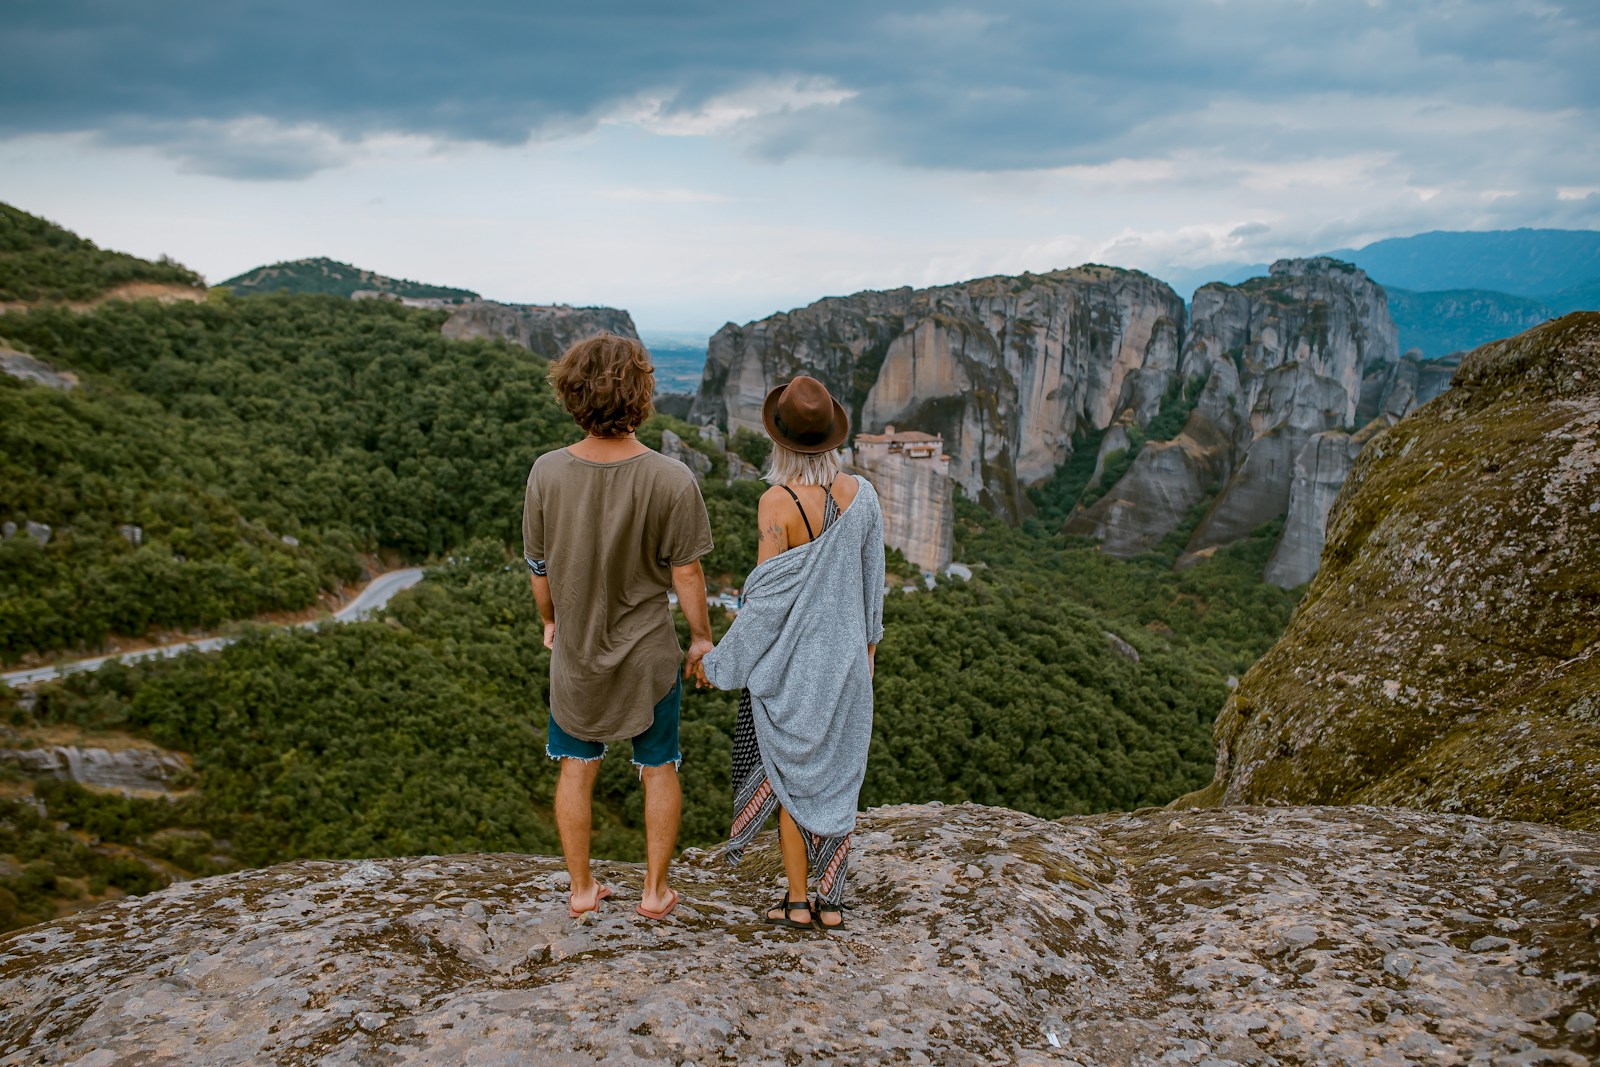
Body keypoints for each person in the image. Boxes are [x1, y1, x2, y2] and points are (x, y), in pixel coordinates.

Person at [522, 332, 715, 922]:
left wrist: (551, 621)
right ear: (641, 393)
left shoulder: (546, 473)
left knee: (575, 769)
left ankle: (582, 890)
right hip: (648, 654)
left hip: (576, 651)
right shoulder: (671, 478)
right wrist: (703, 636)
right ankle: (654, 893)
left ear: (572, 392)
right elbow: (686, 573)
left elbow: (539, 568)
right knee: (659, 768)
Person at [700, 375, 885, 930]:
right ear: (832, 437)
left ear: (780, 440)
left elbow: (763, 606)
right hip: (849, 665)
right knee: (837, 777)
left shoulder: (775, 504)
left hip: (792, 669)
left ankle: (799, 901)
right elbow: (872, 589)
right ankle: (833, 902)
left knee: (787, 782)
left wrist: (718, 665)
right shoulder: (864, 496)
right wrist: (867, 659)